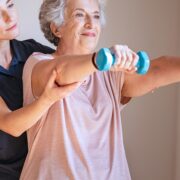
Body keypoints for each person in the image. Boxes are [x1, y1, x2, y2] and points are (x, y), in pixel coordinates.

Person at [20, 0, 180, 179]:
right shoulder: (38, 63)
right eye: (79, 15)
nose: (91, 23)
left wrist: (106, 62)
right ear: (57, 28)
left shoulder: (111, 73)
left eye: (96, 16)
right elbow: (60, 72)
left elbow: (156, 70)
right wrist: (101, 60)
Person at [0, 0, 78, 179]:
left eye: (10, 5)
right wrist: (47, 99)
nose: (9, 16)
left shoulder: (33, 52)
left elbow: (69, 66)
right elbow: (11, 125)